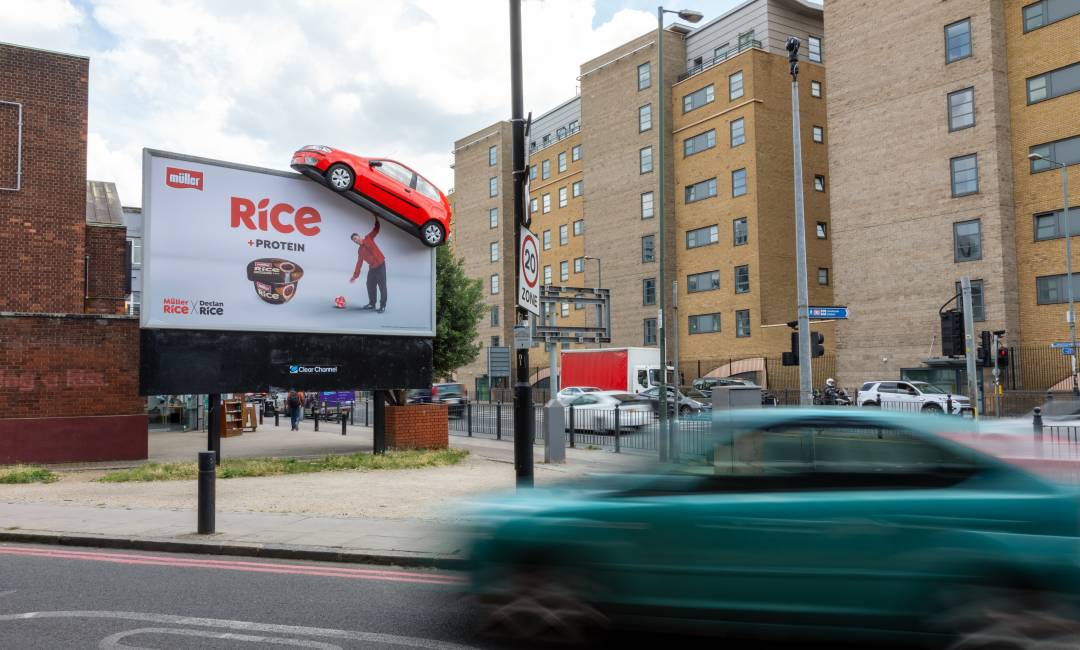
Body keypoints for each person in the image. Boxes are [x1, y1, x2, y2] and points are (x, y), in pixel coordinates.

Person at [349, 217, 387, 313]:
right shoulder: (360, 251)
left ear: (358, 236)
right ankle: (372, 303)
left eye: (355, 238)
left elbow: (376, 230)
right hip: (373, 268)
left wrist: (376, 219)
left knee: (382, 286)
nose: (355, 240)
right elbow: (359, 264)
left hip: (381, 265)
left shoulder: (368, 238)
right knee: (369, 284)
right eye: (354, 240)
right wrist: (355, 276)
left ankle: (382, 306)